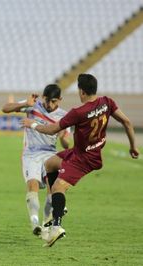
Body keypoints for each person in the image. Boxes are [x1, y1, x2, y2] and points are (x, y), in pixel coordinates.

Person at [22, 73, 139, 247]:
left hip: (84, 158)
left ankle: (56, 227)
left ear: (81, 92)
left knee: (57, 187)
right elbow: (127, 122)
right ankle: (57, 206)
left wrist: (31, 124)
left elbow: (52, 130)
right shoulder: (107, 102)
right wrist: (133, 146)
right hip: (81, 152)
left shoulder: (78, 112)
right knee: (50, 164)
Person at [2, 84, 69, 236]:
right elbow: (5, 108)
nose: (50, 105)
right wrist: (25, 104)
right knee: (32, 184)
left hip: (50, 154)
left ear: (60, 100)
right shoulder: (33, 106)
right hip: (30, 154)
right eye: (47, 101)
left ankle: (47, 221)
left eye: (53, 101)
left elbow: (66, 144)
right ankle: (34, 223)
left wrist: (64, 136)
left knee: (53, 190)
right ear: (43, 97)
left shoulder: (64, 116)